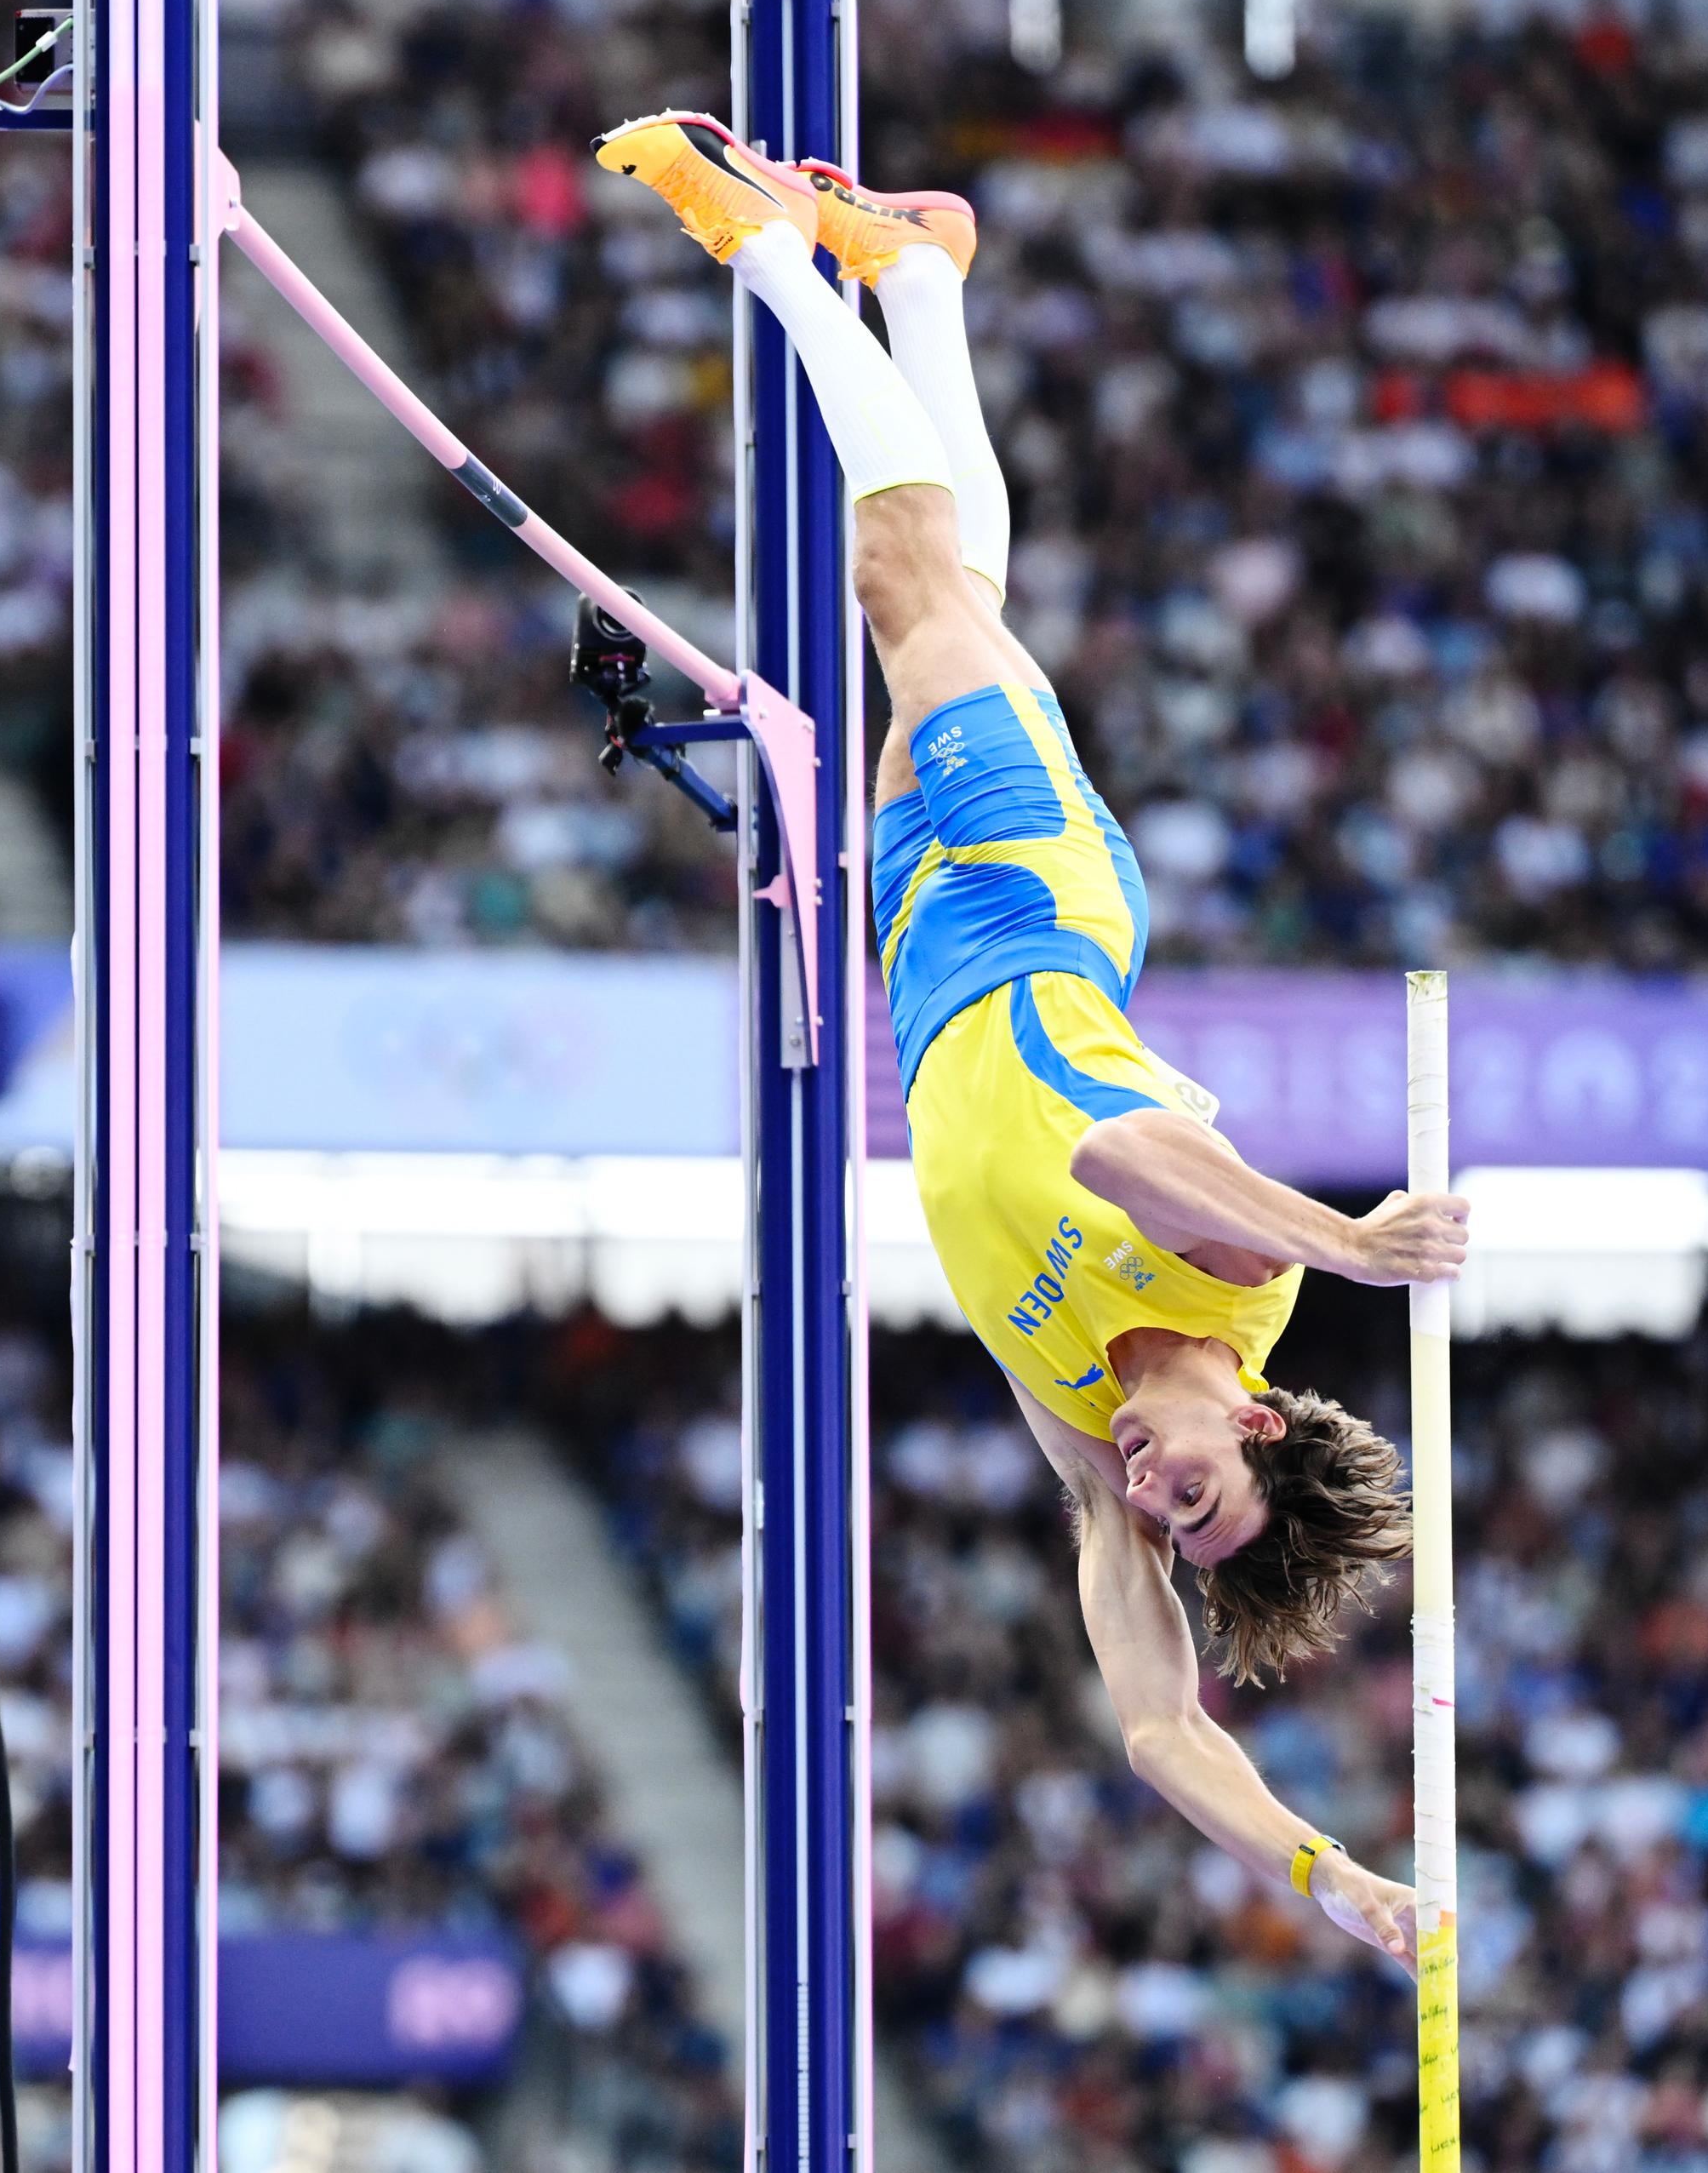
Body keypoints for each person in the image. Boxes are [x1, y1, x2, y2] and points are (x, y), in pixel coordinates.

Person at [597, 112, 1471, 1974]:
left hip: (921, 933)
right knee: (907, 582)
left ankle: (917, 278)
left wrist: (1329, 1872)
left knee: (953, 594)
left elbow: (1161, 1727)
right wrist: (1349, 1242)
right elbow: (1111, 1152)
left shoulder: (1090, 1452)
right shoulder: (1242, 1280)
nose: (1162, 1506)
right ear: (1247, 1424)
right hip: (1035, 898)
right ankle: (763, 247)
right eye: (1204, 1494)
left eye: (1177, 1528)